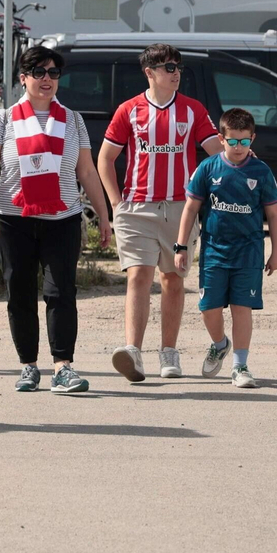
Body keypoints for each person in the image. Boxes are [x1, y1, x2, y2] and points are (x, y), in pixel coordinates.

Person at [0, 44, 114, 394]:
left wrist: (103, 214)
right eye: (38, 72)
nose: (47, 79)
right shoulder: (4, 118)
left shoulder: (73, 119)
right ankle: (28, 366)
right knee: (20, 293)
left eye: (53, 73)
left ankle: (63, 367)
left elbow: (86, 170)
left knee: (61, 292)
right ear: (23, 78)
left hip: (63, 218)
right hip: (13, 218)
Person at [98, 43, 219, 382]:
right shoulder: (129, 110)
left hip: (181, 209)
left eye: (177, 66)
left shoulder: (193, 110)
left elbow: (217, 155)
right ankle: (132, 352)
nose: (175, 72)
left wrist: (236, 158)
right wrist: (116, 204)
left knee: (172, 280)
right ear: (149, 72)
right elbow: (105, 158)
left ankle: (169, 351)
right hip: (136, 208)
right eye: (167, 67)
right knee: (138, 276)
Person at [174, 109, 277, 388]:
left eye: (244, 142)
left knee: (241, 307)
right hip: (213, 252)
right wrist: (181, 246)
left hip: (248, 253)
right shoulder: (208, 168)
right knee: (209, 308)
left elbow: (274, 214)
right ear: (221, 139)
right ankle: (219, 344)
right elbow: (190, 209)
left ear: (252, 139)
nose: (238, 148)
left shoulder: (261, 171)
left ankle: (240, 365)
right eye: (232, 141)